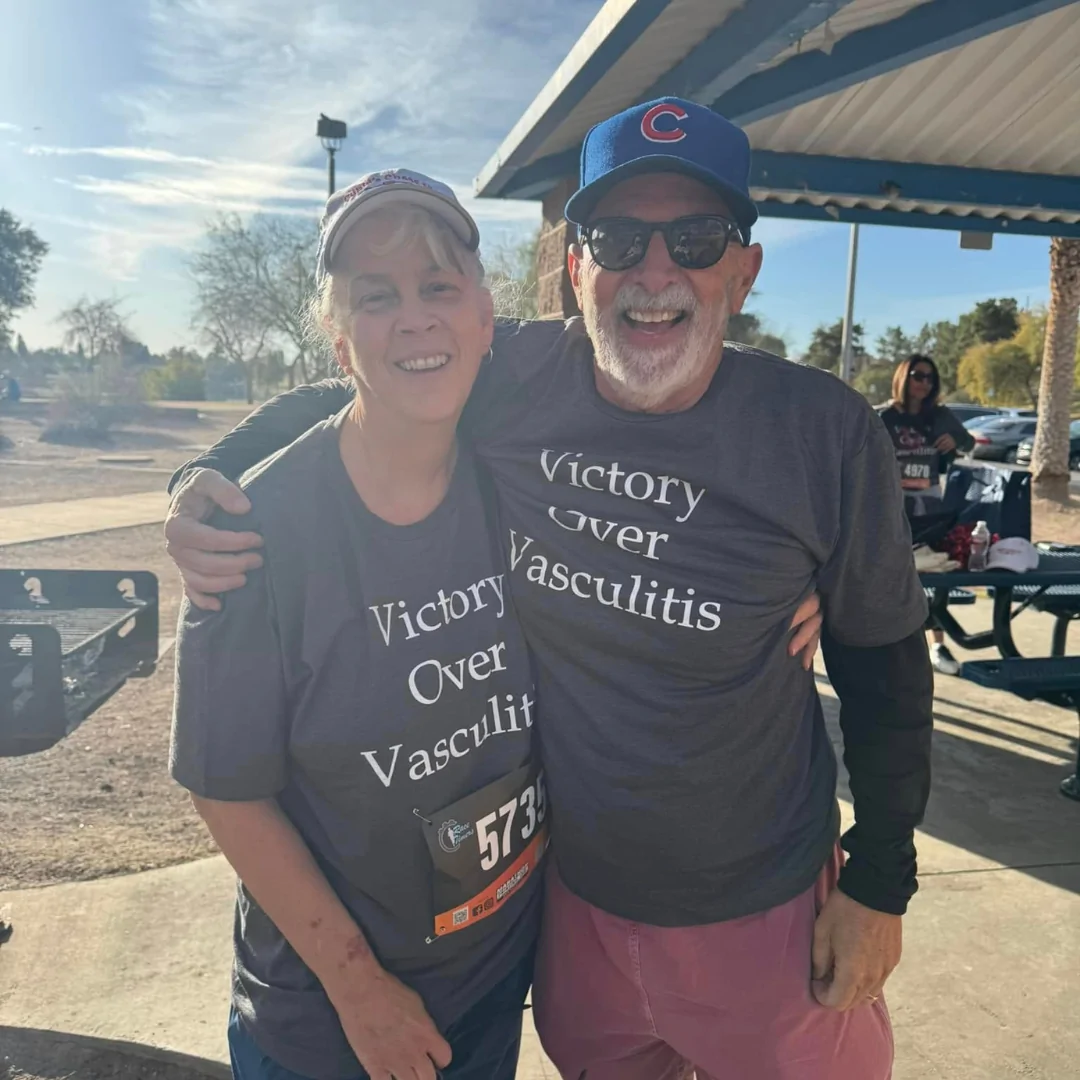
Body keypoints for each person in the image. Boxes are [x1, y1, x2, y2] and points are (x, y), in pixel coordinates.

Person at [165, 98, 933, 1080]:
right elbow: (371, 377)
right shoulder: (520, 376)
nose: (654, 271)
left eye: (695, 240)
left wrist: (881, 882)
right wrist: (199, 478)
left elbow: (885, 664)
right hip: (573, 919)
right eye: (618, 239)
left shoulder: (822, 431)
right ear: (576, 269)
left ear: (743, 273)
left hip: (764, 911)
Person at [172, 171, 545, 1080]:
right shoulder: (255, 533)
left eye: (438, 287)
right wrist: (359, 990)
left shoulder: (523, 474)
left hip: (493, 984)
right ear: (338, 339)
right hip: (335, 1027)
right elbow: (228, 790)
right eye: (377, 298)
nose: (414, 319)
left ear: (486, 318)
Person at [879, 354, 975, 675]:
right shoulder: (885, 417)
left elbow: (968, 443)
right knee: (894, 572)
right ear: (903, 377)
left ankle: (937, 645)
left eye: (930, 378)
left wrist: (954, 441)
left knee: (934, 569)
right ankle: (892, 642)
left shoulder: (940, 415)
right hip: (891, 504)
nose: (924, 383)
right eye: (918, 376)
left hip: (930, 502)